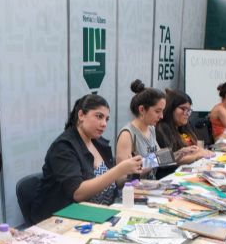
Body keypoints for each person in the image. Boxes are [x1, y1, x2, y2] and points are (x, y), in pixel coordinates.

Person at [30, 94, 143, 223]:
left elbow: (111, 182)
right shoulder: (63, 147)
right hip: (66, 220)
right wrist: (119, 169)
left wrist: (129, 171)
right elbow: (78, 193)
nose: (104, 124)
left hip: (103, 212)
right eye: (99, 116)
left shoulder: (98, 142)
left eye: (106, 119)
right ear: (81, 115)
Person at [155, 89, 214, 178]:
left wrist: (201, 152)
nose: (187, 113)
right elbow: (164, 160)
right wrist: (198, 155)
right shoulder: (161, 129)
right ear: (170, 108)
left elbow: (197, 148)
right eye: (183, 109)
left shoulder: (185, 126)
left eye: (189, 110)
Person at [115, 80, 165, 179]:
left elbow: (161, 156)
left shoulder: (151, 129)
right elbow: (122, 177)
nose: (161, 116)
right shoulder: (127, 135)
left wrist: (179, 153)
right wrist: (156, 160)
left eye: (162, 111)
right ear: (142, 109)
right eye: (157, 111)